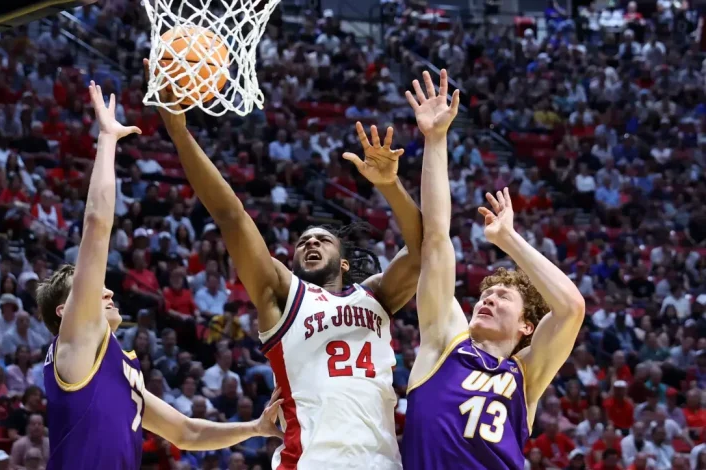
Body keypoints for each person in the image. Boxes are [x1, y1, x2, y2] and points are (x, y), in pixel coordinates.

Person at [147, 55, 422, 469]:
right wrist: (179, 132)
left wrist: (391, 186)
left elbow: (426, 250)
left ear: (345, 263)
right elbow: (231, 216)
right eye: (303, 241)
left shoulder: (377, 296)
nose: (310, 242)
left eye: (322, 240)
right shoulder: (285, 295)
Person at [37, 82, 283, 470]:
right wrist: (107, 139)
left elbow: (186, 432)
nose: (106, 289)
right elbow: (98, 224)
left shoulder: (116, 364)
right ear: (66, 311)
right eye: (91, 289)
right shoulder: (77, 339)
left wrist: (256, 427)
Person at [401, 70, 586, 469]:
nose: (489, 298)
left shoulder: (526, 377)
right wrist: (435, 140)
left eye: (504, 297)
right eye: (487, 294)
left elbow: (571, 308)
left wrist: (507, 240)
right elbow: (435, 238)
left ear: (526, 327)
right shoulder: (442, 342)